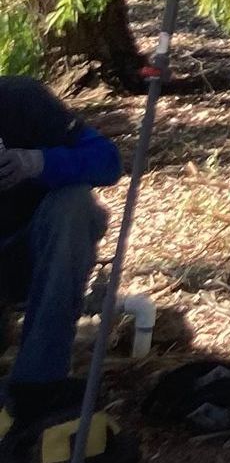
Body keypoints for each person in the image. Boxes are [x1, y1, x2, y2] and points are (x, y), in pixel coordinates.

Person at [0, 77, 121, 439]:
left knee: (75, 206)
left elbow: (107, 161)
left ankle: (39, 382)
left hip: (30, 252)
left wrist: (37, 162)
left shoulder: (19, 99)